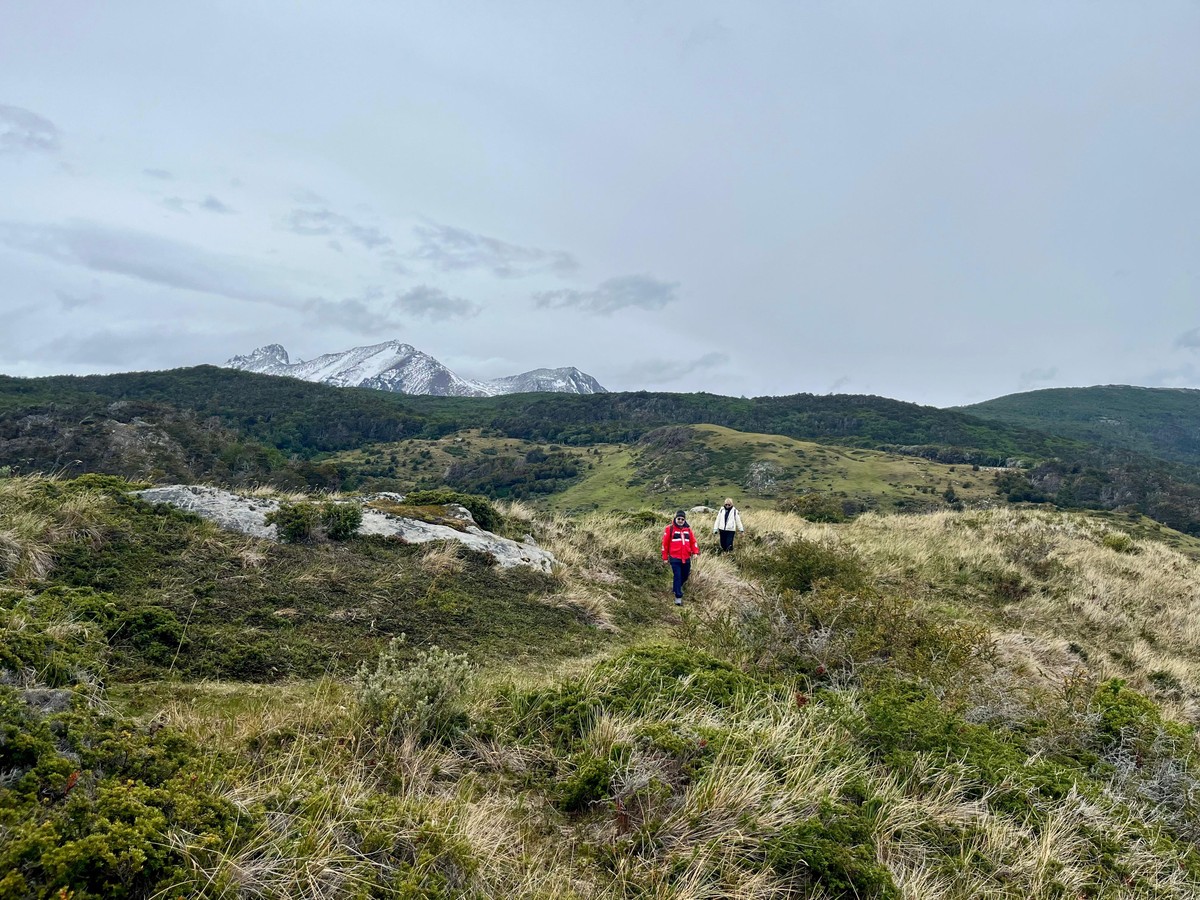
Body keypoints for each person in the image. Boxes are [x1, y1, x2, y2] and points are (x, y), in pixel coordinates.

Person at [662, 510, 699, 606]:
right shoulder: (669, 529)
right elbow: (665, 545)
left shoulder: (688, 530)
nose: (680, 521)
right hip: (675, 557)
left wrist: (695, 552)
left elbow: (693, 542)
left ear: (684, 520)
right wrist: (665, 558)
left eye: (682, 519)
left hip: (686, 557)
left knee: (685, 576)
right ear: (675, 518)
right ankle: (678, 597)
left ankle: (675, 587)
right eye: (679, 519)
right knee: (677, 576)